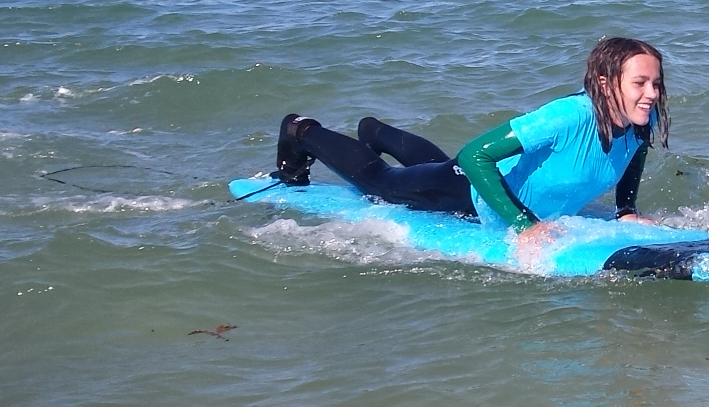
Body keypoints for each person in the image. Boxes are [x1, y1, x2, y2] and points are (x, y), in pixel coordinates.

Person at [271, 37, 668, 249]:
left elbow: (632, 154)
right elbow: (476, 155)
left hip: (477, 180)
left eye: (655, 83)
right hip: (469, 193)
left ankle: (375, 132)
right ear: (605, 84)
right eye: (640, 83)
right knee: (382, 182)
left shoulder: (638, 120)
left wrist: (626, 210)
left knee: (434, 165)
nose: (651, 93)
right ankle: (301, 131)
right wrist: (524, 225)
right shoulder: (567, 116)